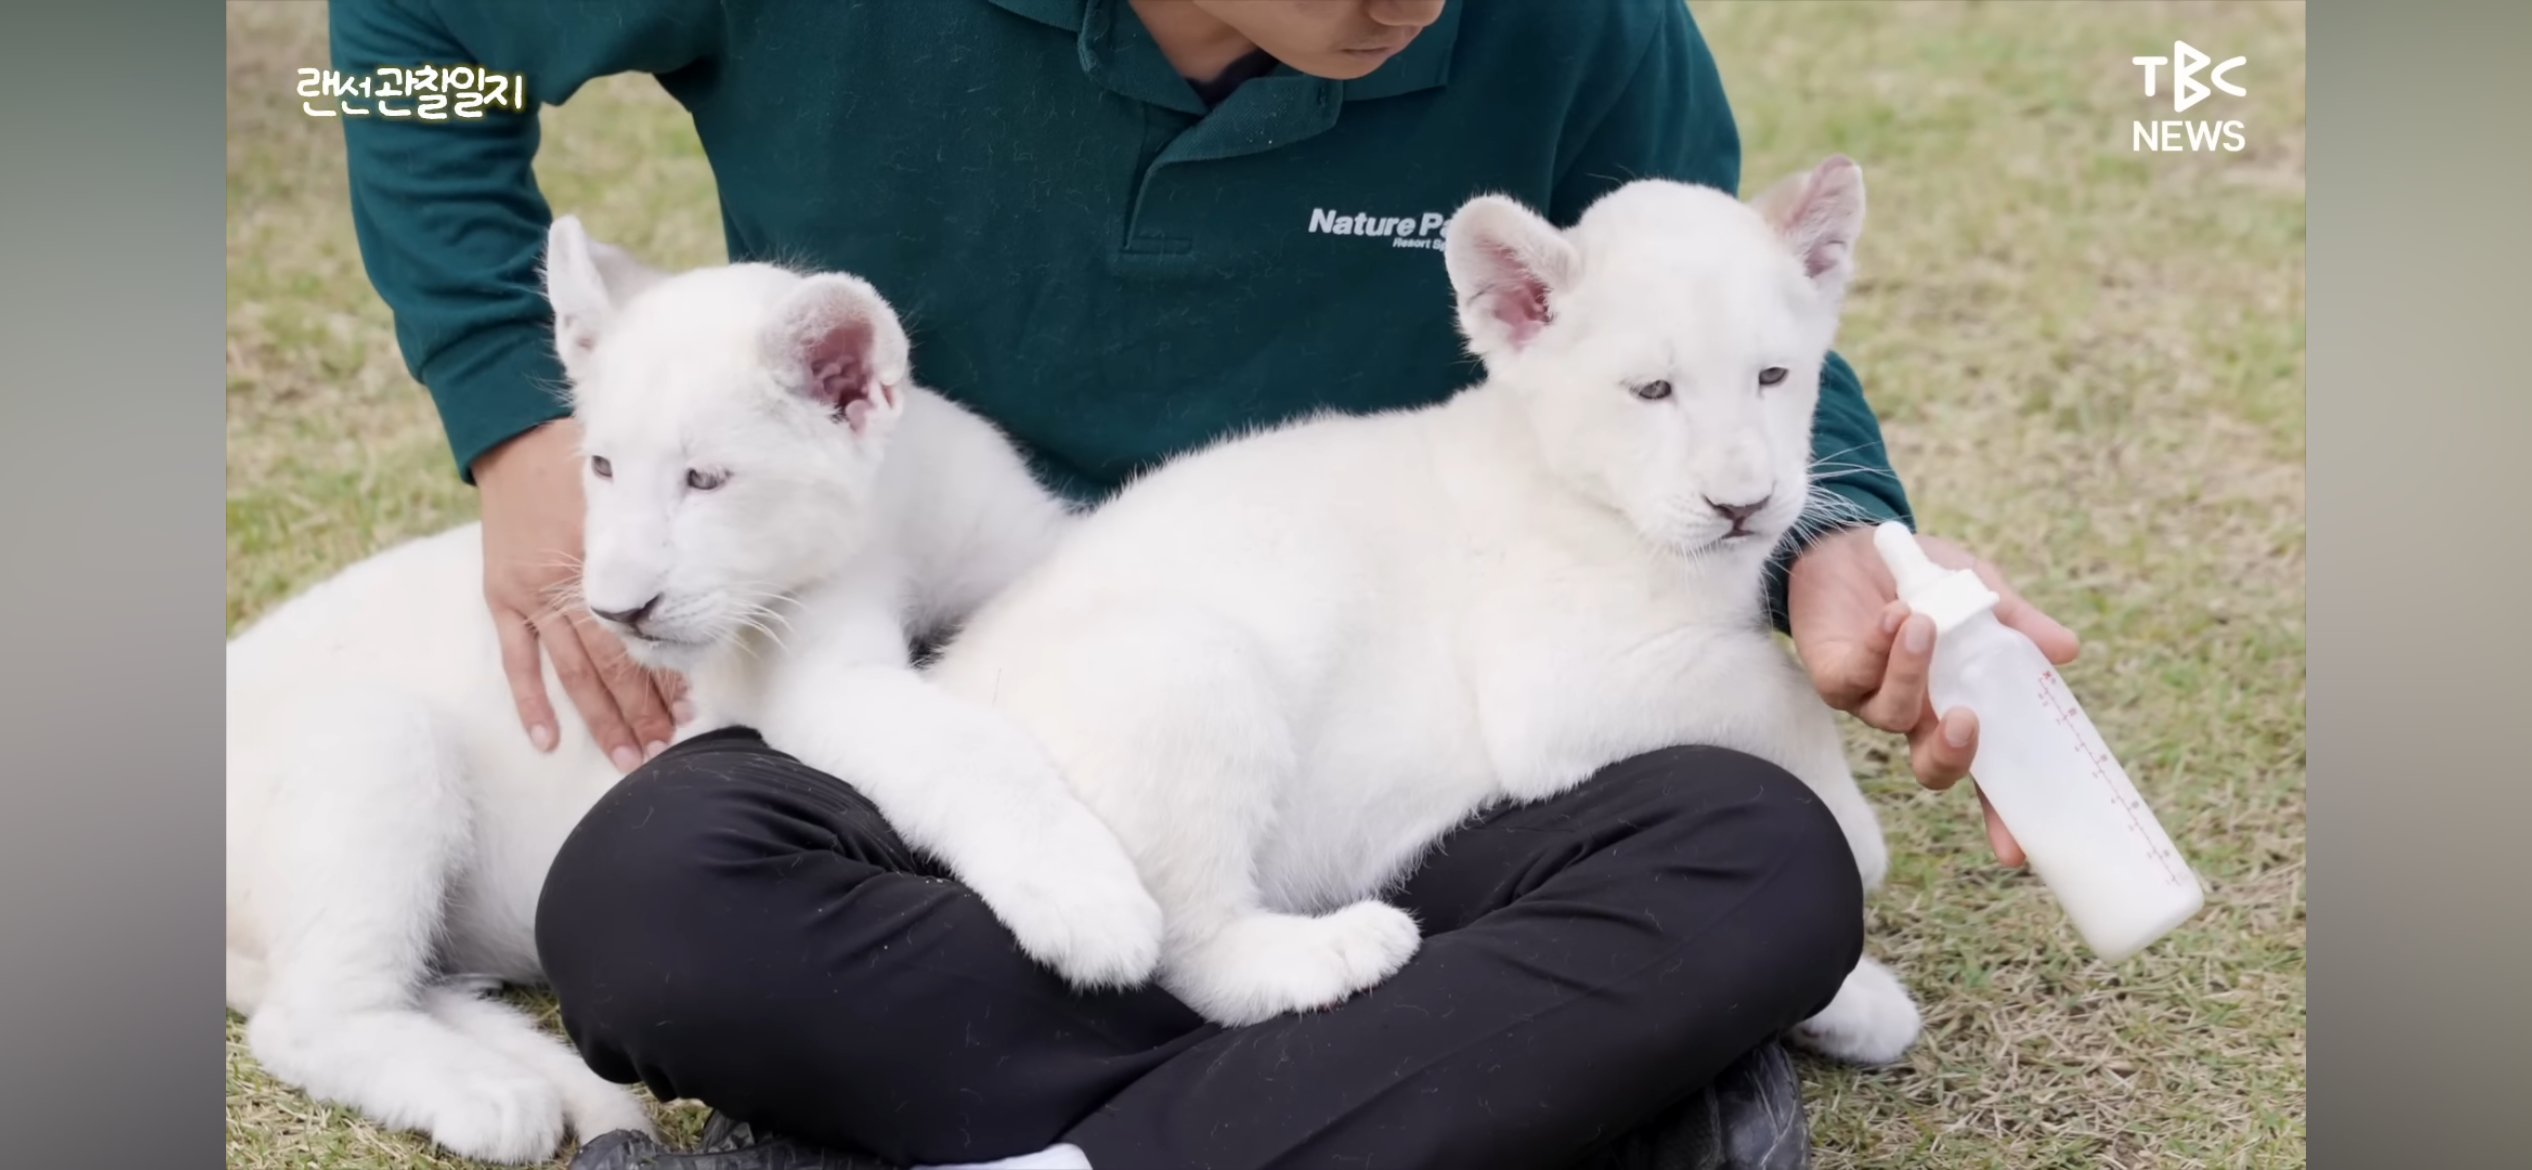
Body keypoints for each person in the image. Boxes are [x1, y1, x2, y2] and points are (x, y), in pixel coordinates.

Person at [332, 2, 2082, 1167]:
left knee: (1764, 862)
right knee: (648, 910)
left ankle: (1054, 1135)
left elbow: (1720, 305)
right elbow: (401, 41)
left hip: (1407, 716)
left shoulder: (1567, 18)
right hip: (931, 696)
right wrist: (511, 406)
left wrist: (1837, 544)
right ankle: (1480, 1089)